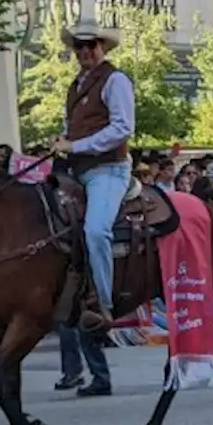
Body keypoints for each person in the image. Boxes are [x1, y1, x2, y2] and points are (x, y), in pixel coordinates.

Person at [49, 17, 135, 332]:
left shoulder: (116, 81)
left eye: (89, 45)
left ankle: (104, 302)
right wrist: (61, 141)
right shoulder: (76, 86)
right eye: (78, 46)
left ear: (101, 47)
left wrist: (75, 145)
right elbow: (72, 128)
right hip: (77, 170)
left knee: (97, 231)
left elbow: (123, 128)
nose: (83, 51)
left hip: (108, 170)